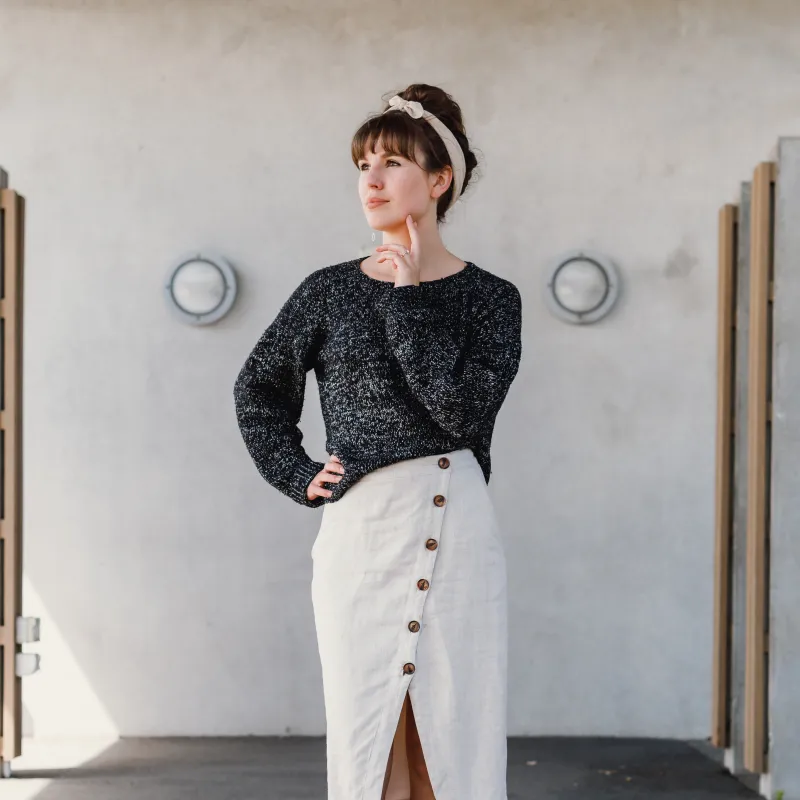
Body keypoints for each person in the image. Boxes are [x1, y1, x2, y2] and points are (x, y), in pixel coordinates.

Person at [234, 83, 523, 800]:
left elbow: (461, 412)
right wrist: (295, 470)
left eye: (391, 162)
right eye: (363, 162)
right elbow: (258, 389)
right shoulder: (328, 291)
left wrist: (409, 298)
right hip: (361, 539)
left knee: (454, 736)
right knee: (370, 737)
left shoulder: (492, 299)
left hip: (459, 532)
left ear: (439, 179)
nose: (370, 179)